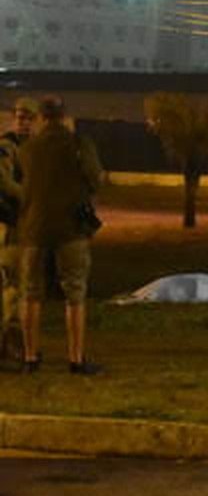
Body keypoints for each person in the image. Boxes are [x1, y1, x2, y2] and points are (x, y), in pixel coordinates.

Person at [17, 96, 103, 374]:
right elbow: (95, 180)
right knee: (74, 294)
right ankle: (75, 358)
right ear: (64, 118)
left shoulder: (28, 149)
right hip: (71, 229)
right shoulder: (79, 144)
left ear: (41, 118)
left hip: (34, 229)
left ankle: (30, 357)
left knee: (30, 294)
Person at [0, 97, 38, 361]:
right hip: (11, 225)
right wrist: (34, 197)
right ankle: (10, 343)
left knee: (22, 286)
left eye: (28, 117)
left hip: (28, 224)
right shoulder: (7, 147)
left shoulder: (34, 148)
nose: (23, 121)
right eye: (19, 116)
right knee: (13, 286)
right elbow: (3, 182)